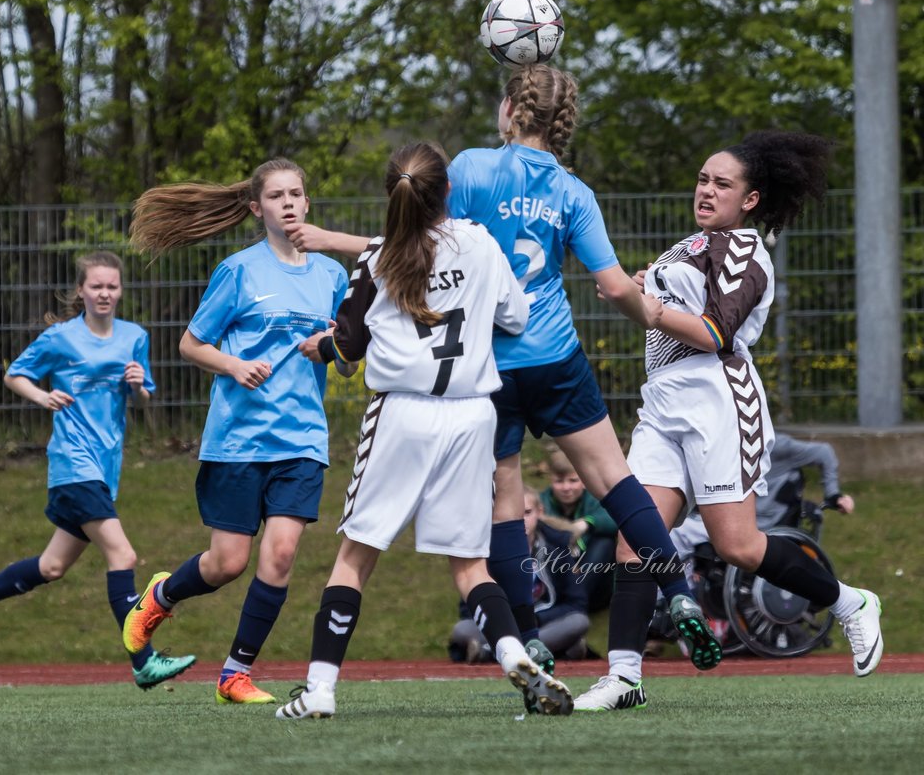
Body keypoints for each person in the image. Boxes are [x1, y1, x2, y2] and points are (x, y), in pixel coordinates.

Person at [285, 63, 719, 676]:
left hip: (487, 368)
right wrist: (652, 313)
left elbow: (419, 241)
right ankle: (679, 592)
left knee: (506, 500)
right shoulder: (573, 192)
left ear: (512, 110)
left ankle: (529, 634)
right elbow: (615, 284)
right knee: (617, 481)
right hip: (557, 356)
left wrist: (329, 238)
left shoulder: (471, 168)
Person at [575, 131, 884, 712]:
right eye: (702, 179)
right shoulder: (692, 245)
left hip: (716, 399)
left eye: (722, 183)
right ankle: (623, 677)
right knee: (635, 541)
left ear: (750, 199)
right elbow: (664, 303)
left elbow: (715, 333)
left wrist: (644, 304)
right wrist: (641, 288)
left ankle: (849, 601)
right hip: (663, 400)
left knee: (738, 545)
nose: (707, 189)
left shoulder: (743, 248)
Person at [275, 142, 572, 720]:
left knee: (356, 555)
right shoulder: (482, 243)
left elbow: (350, 345)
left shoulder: (378, 258)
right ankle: (512, 652)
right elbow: (516, 316)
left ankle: (320, 689)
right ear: (448, 193)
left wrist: (323, 347)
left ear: (394, 194)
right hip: (471, 415)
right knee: (469, 564)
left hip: (402, 414)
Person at [122, 158, 352, 705]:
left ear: (308, 202)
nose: (289, 203)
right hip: (239, 441)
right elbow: (190, 344)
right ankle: (159, 596)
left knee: (280, 556)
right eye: (277, 196)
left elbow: (344, 358)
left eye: (297, 193)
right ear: (257, 208)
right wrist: (233, 365)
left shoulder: (332, 275)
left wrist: (340, 350)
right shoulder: (239, 271)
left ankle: (234, 674)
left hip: (301, 441)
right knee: (228, 562)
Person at [0, 251, 196, 690]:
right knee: (124, 555)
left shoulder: (135, 336)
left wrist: (138, 387)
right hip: (73, 464)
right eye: (96, 286)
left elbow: (144, 395)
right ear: (81, 291)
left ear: (121, 290)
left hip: (105, 466)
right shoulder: (60, 338)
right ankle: (143, 659)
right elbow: (15, 375)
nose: (105, 293)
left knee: (52, 567)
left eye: (112, 286)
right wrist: (42, 397)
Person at [451, 487, 591, 664]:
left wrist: (537, 618)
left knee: (578, 622)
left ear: (540, 512)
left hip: (543, 623)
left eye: (526, 513)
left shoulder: (557, 546)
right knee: (462, 629)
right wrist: (502, 619)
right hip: (501, 624)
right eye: (514, 514)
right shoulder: (487, 548)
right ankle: (554, 649)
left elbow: (576, 603)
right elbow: (468, 607)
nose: (520, 520)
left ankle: (494, 653)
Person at [669, 431, 854, 565]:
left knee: (677, 533)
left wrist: (833, 494)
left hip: (757, 522)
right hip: (729, 516)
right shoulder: (721, 445)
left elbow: (824, 453)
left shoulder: (772, 445)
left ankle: (674, 597)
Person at [540, 448, 618, 611]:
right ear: (550, 480)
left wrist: (587, 524)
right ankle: (565, 605)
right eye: (559, 481)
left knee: (605, 541)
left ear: (583, 480)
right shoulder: (541, 502)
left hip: (594, 582)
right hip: (557, 577)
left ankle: (572, 606)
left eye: (573, 480)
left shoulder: (596, 497)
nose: (566, 487)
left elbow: (616, 518)